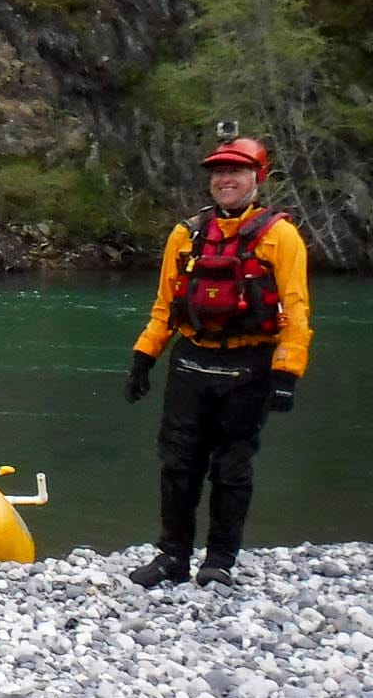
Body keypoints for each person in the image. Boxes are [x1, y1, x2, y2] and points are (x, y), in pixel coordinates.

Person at [124, 134, 310, 588]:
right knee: (178, 463)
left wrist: (287, 373)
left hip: (249, 366)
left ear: (256, 179)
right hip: (191, 363)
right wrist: (144, 355)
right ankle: (173, 555)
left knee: (231, 467)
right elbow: (165, 305)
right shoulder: (186, 234)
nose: (225, 180)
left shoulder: (280, 236)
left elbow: (296, 308)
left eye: (236, 172)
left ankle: (220, 560)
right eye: (218, 173)